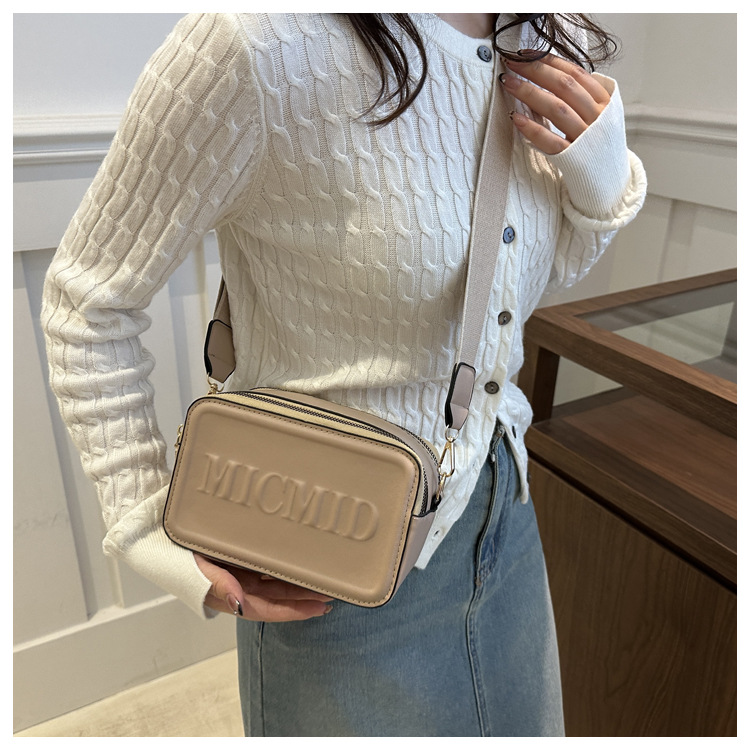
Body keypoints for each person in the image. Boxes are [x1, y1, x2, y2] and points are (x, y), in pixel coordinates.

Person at [41, 13, 646, 737]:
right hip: (330, 552)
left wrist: (601, 182)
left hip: (501, 512)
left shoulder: (537, 36)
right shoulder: (259, 42)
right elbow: (87, 304)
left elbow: (527, 280)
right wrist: (147, 523)